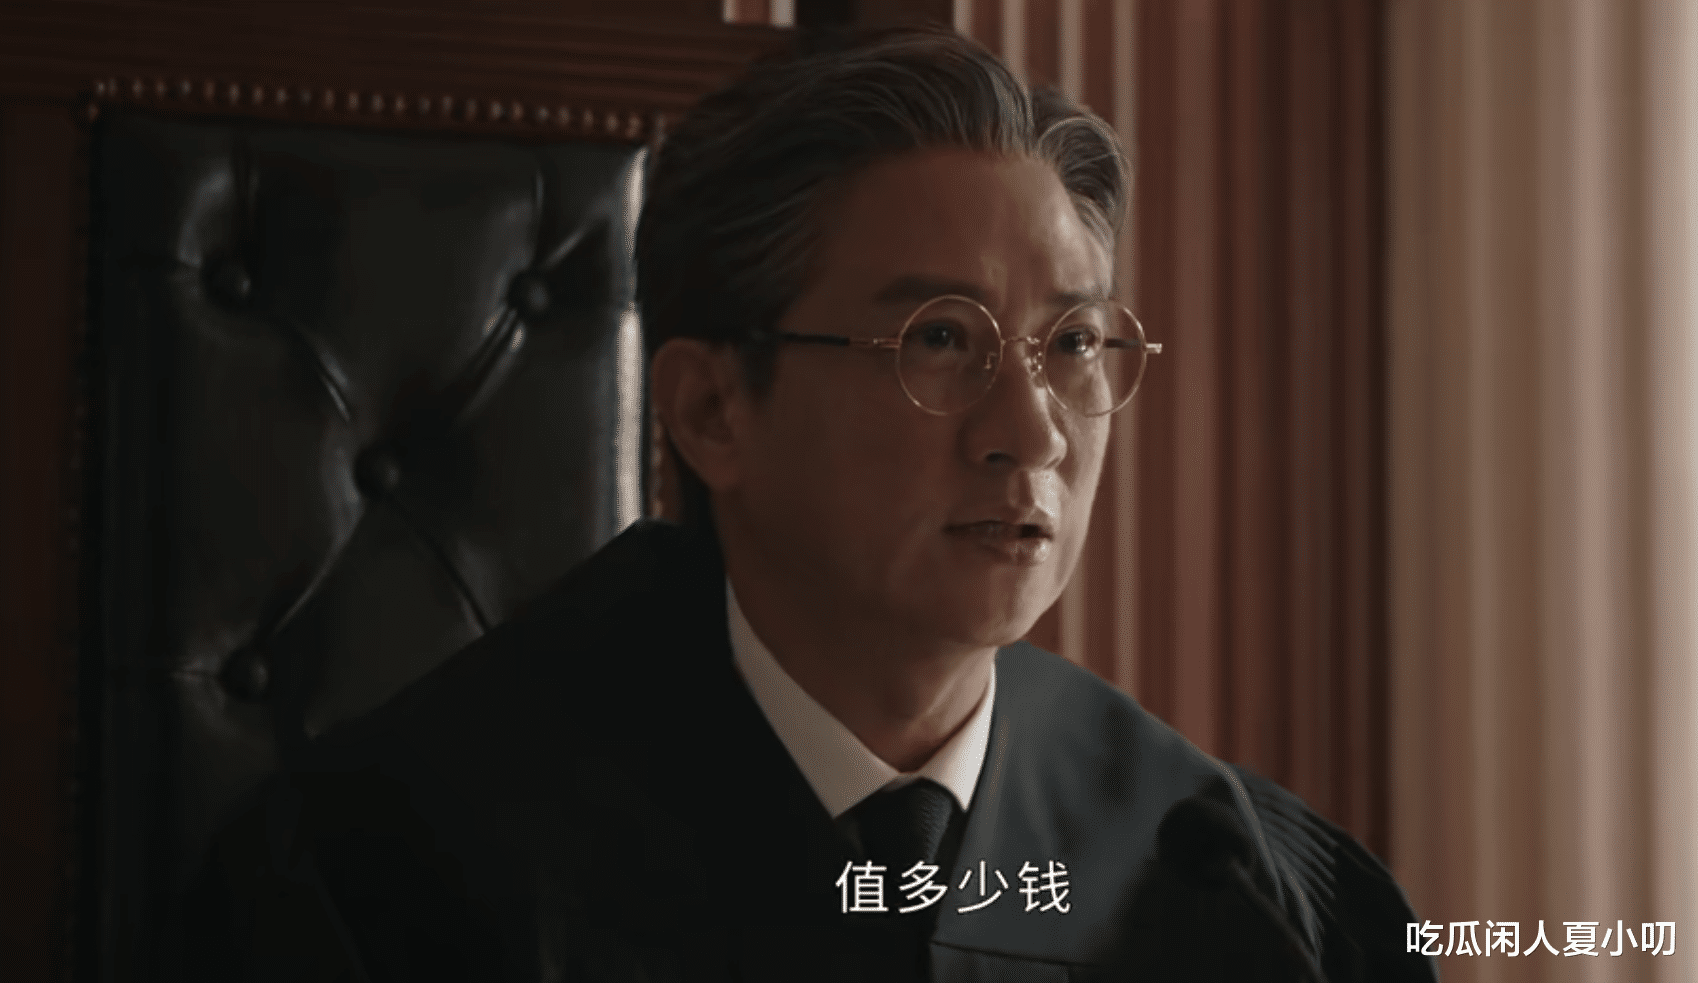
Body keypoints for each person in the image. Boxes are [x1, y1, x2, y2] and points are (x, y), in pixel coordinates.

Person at [190, 25, 1437, 983]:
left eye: (1071, 344)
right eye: (940, 338)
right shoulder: (402, 872)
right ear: (713, 409)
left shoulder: (1232, 879)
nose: (1033, 431)